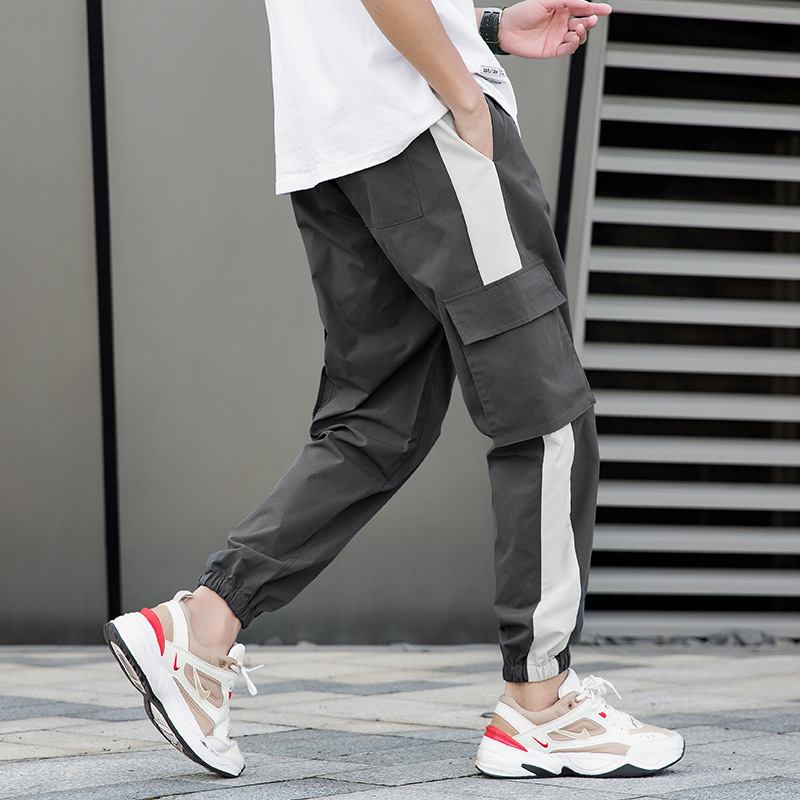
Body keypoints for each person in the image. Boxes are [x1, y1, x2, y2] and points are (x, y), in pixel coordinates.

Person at [103, 0, 685, 781]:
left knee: (378, 424)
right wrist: (463, 90)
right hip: (421, 121)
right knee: (544, 409)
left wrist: (480, 27)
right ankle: (542, 706)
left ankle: (202, 626)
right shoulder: (440, 105)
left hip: (336, 143)